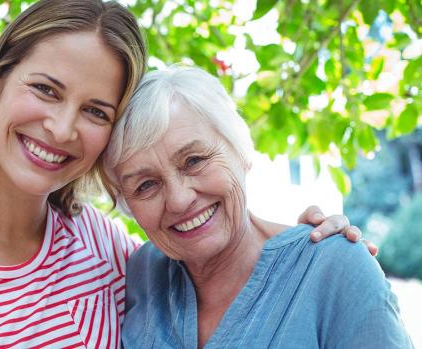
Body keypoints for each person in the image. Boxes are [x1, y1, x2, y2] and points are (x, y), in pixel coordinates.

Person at [0, 1, 369, 348]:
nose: (60, 128)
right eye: (45, 89)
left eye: (95, 111)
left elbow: (209, 244)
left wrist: (310, 245)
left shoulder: (110, 253)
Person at [104, 66, 413, 348]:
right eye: (146, 185)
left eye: (194, 161)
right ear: (126, 202)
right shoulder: (139, 273)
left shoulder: (335, 268)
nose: (179, 199)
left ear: (241, 152)